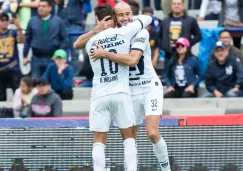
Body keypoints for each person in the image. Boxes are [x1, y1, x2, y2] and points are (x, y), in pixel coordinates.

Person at [90, 2, 171, 171]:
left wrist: (104, 53)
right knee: (129, 138)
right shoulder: (115, 35)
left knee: (152, 133)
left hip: (149, 87)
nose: (126, 18)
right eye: (121, 15)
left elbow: (133, 59)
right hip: (130, 91)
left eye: (129, 14)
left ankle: (166, 168)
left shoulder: (140, 32)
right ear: (114, 18)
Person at [75, 3, 153, 171]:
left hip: (99, 95)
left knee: (99, 140)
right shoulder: (123, 32)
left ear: (97, 19)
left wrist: (96, 29)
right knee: (129, 138)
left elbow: (76, 44)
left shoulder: (90, 42)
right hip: (121, 93)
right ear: (115, 18)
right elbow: (147, 18)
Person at [23, 0, 69, 79]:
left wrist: (58, 54)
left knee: (52, 83)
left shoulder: (58, 21)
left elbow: (65, 40)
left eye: (43, 6)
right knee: (37, 84)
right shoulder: (32, 21)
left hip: (52, 59)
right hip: (36, 59)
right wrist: (25, 56)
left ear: (50, 8)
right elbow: (27, 39)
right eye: (39, 6)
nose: (40, 8)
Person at [159, 0, 202, 71]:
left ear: (183, 6)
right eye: (174, 4)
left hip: (185, 56)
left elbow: (198, 36)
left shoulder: (191, 20)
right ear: (171, 6)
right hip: (168, 55)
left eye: (179, 4)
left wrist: (187, 44)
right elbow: (159, 37)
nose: (176, 6)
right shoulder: (164, 21)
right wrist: (164, 46)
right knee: (168, 78)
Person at [55, 0, 88, 75]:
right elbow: (56, 2)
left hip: (75, 24)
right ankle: (61, 73)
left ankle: (74, 75)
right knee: (60, 52)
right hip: (61, 23)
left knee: (75, 53)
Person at [0, 13, 24, 101]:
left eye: (6, 20)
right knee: (1, 97)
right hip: (1, 70)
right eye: (2, 20)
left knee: (17, 95)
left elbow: (22, 40)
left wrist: (18, 26)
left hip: (13, 68)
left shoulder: (13, 32)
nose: (5, 22)